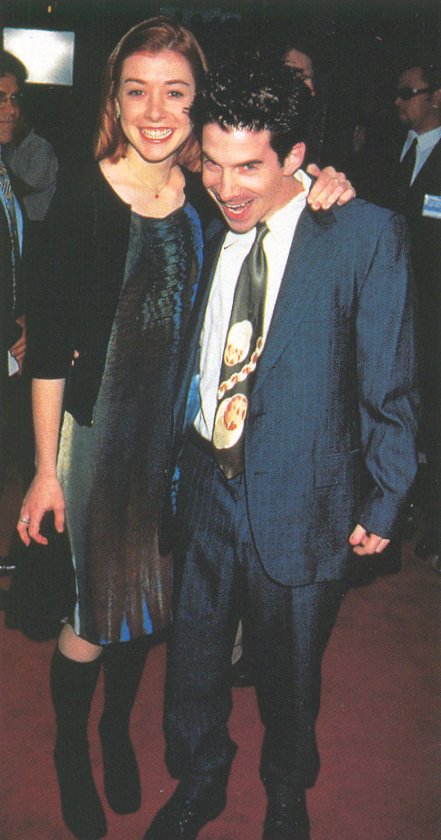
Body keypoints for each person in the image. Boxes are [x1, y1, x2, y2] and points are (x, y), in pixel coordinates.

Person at [15, 18, 353, 840]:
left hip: (177, 446)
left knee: (145, 603)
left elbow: (277, 192)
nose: (155, 110)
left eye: (176, 92)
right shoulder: (80, 200)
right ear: (114, 100)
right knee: (95, 607)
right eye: (137, 90)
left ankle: (112, 729)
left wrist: (323, 181)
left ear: (201, 103)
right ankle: (70, 746)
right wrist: (46, 470)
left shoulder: (208, 194)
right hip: (97, 440)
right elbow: (48, 353)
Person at [143, 55, 419, 840]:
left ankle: (287, 789)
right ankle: (200, 777)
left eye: (248, 168)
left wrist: (386, 494)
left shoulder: (362, 234)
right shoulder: (199, 222)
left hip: (306, 489)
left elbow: (390, 378)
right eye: (212, 164)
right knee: (194, 657)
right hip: (203, 479)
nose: (226, 187)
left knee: (290, 669)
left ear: (295, 156)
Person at [0, 51, 26, 573]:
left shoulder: (5, 169)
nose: (10, 109)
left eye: (15, 99)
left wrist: (23, 319)